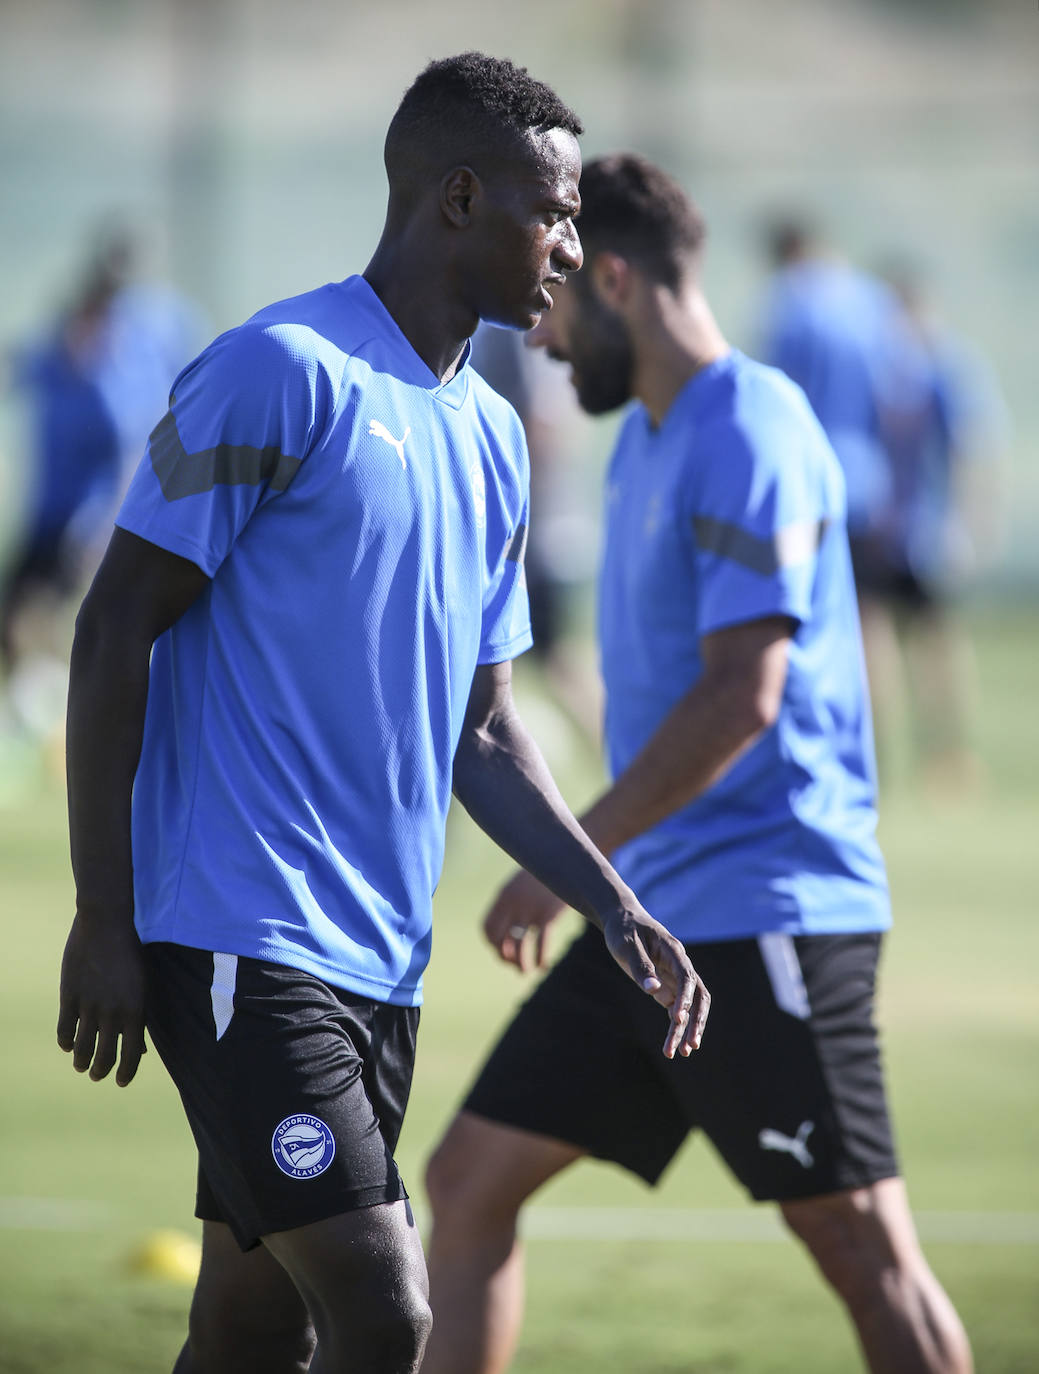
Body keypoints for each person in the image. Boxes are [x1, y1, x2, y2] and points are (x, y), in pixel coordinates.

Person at [56, 61, 709, 1374]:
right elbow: (115, 624)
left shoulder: (492, 437)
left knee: (253, 1323)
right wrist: (104, 913)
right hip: (239, 931)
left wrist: (614, 901)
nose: (573, 249)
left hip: (380, 957)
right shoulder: (275, 371)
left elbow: (483, 732)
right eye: (552, 212)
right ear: (458, 198)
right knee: (382, 1302)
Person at [422, 155, 972, 1374]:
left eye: (561, 295)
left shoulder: (748, 427)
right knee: (464, 1188)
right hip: (657, 922)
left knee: (866, 1252)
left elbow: (743, 698)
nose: (546, 335)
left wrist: (574, 857)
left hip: (766, 914)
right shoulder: (650, 440)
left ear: (614, 277)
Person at [854, 260, 1007, 791]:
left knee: (880, 638)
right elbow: (970, 444)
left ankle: (885, 760)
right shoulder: (941, 360)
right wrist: (972, 518)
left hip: (877, 523)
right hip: (922, 528)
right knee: (931, 645)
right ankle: (946, 761)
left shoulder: (875, 362)